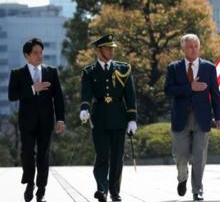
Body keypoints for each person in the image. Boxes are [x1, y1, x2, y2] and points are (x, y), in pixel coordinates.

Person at [164, 33, 220, 201]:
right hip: (180, 118)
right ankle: (182, 177)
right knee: (180, 155)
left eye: (196, 46)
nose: (193, 49)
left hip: (202, 118)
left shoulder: (209, 68)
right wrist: (190, 87)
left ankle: (197, 190)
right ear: (183, 48)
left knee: (199, 156)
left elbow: (215, 94)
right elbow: (168, 90)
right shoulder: (173, 68)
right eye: (190, 46)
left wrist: (219, 116)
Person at [79, 34, 137, 202]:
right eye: (107, 48)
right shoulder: (89, 71)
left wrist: (132, 119)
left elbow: (130, 96)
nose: (112, 51)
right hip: (99, 118)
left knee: (117, 157)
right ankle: (101, 189)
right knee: (102, 155)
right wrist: (84, 108)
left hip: (119, 117)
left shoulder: (124, 69)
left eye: (112, 48)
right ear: (99, 50)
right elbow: (86, 93)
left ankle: (114, 191)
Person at [8, 38, 65, 202]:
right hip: (26, 122)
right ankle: (29, 183)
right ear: (27, 55)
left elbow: (58, 98)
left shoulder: (51, 72)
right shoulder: (17, 73)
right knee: (27, 154)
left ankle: (41, 190)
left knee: (43, 155)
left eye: (41, 52)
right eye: (35, 53)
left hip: (46, 122)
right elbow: (12, 96)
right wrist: (33, 88)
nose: (39, 56)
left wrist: (60, 120)